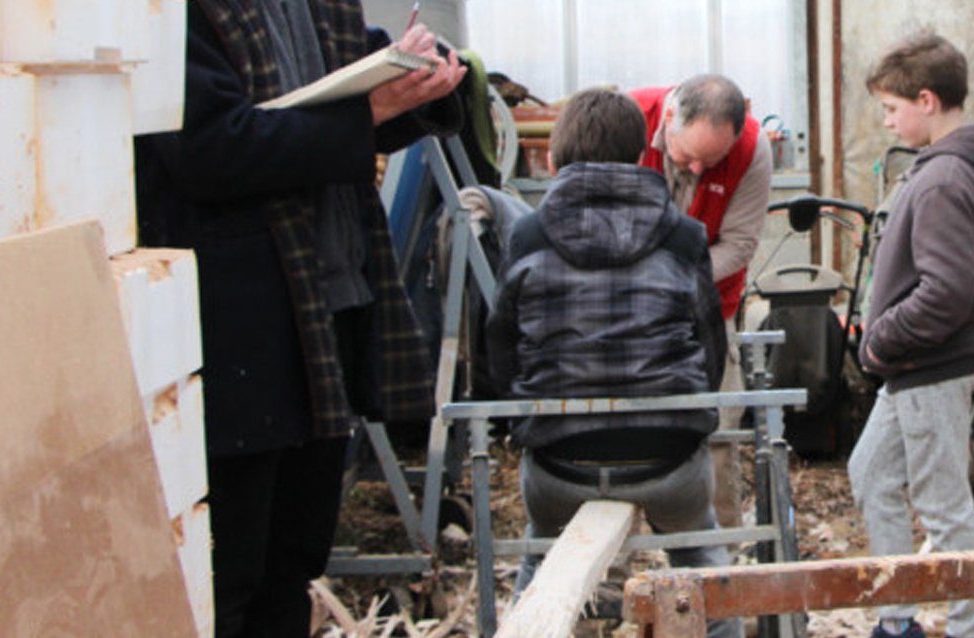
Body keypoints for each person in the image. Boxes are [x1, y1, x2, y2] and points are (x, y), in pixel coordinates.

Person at [132, 1, 464, 634]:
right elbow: (206, 148)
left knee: (296, 556)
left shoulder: (321, 7)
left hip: (327, 303)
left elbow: (360, 85)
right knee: (231, 563)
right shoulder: (175, 14)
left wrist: (428, 82)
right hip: (239, 320)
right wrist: (364, 114)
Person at [483, 88, 737, 638]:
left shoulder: (526, 235)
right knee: (700, 562)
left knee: (542, 557)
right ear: (645, 158)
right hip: (667, 460)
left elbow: (500, 348)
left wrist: (530, 421)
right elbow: (710, 348)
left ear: (550, 160)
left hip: (559, 464)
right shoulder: (683, 236)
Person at [849, 31, 974, 638]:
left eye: (891, 109)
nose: (888, 122)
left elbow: (946, 291)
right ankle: (898, 622)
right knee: (870, 476)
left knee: (944, 507)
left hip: (930, 364)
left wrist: (881, 339)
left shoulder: (945, 178)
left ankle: (968, 629)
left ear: (925, 99)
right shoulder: (946, 169)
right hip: (916, 366)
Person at [628, 74, 771, 531]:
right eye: (687, 155)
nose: (694, 169)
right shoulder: (629, 120)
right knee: (623, 428)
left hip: (711, 306)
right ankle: (617, 563)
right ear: (668, 119)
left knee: (717, 430)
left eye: (711, 161)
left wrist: (672, 280)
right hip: (630, 310)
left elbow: (740, 244)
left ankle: (719, 559)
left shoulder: (753, 150)